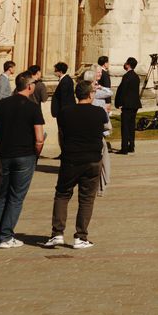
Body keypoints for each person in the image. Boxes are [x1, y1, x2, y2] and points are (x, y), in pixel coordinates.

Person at [46, 77, 108, 249]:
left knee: (62, 194)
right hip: (92, 159)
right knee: (86, 198)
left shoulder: (65, 112)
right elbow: (104, 130)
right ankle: (81, 236)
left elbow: (62, 133)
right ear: (90, 95)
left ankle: (57, 233)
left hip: (71, 158)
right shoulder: (99, 112)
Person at [0, 70, 44, 248]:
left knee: (1, 195)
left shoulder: (2, 104)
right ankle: (6, 236)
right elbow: (39, 138)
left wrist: (1, 145)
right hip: (25, 156)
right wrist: (36, 152)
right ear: (29, 86)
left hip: (4, 155)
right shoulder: (33, 107)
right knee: (16, 197)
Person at [114, 57, 141, 154]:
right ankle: (131, 146)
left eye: (126, 63)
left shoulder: (127, 76)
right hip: (134, 104)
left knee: (125, 127)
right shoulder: (136, 76)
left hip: (127, 105)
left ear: (128, 65)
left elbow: (123, 91)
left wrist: (119, 103)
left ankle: (124, 148)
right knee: (131, 126)